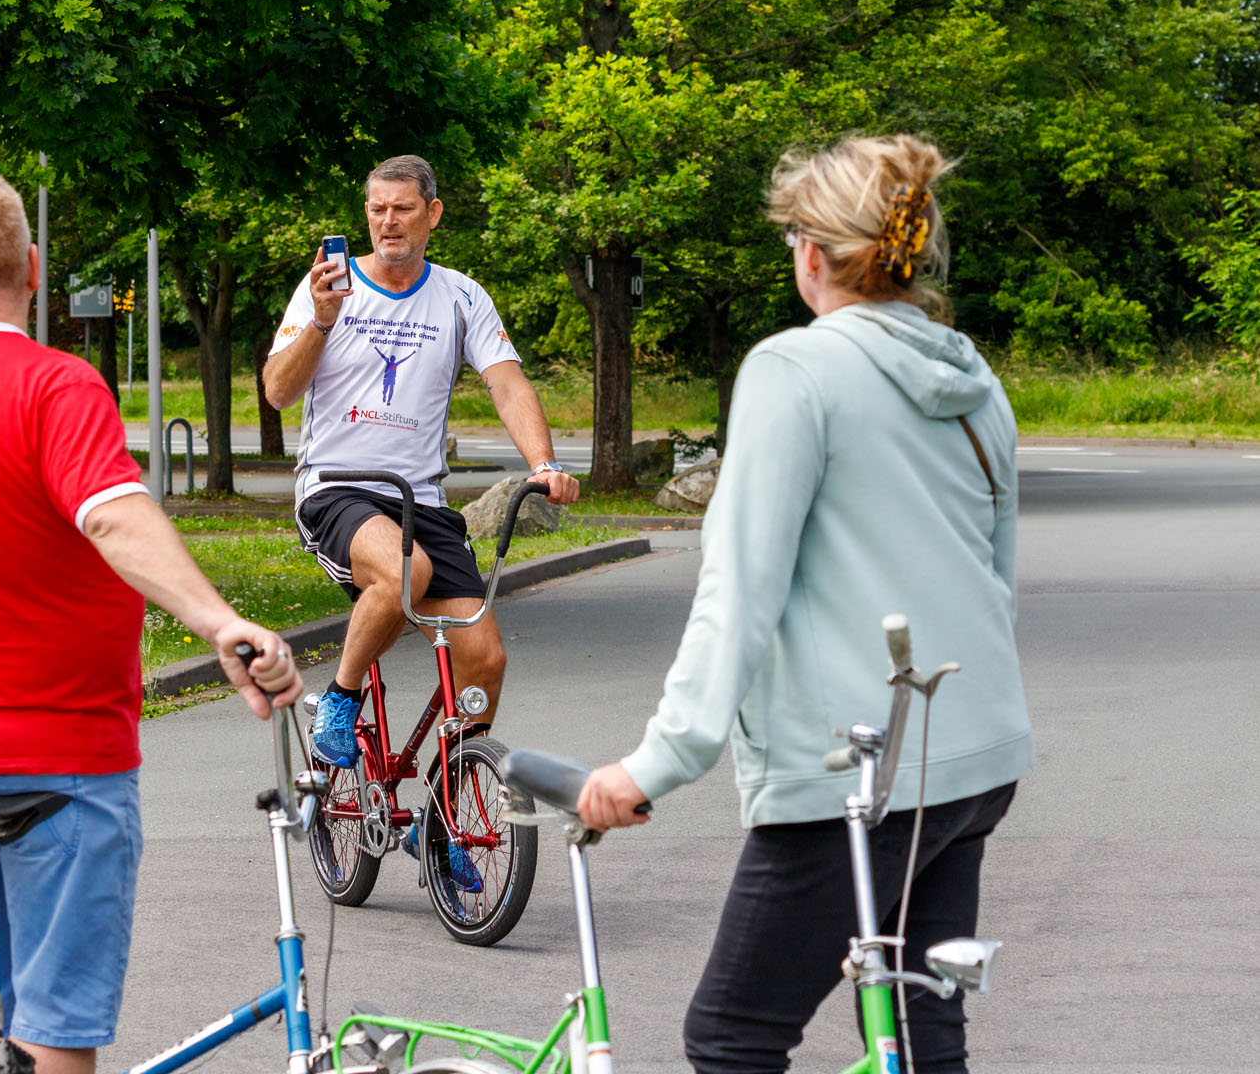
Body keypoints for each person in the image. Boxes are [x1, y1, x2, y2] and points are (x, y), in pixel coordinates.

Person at [0, 169, 303, 1074]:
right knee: (53, 1024)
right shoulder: (57, 388)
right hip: (61, 751)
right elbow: (112, 513)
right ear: (32, 269)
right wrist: (219, 621)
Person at [577, 135, 1034, 1074]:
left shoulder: (795, 372)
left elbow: (740, 586)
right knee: (920, 1028)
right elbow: (996, 576)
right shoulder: (973, 378)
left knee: (733, 1036)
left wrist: (659, 761)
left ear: (814, 255)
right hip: (971, 750)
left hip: (856, 775)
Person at [263, 155, 577, 872]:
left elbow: (508, 383)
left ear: (432, 214)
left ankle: (437, 820)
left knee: (484, 657)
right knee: (407, 572)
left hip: (421, 498)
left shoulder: (461, 297)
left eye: (403, 208)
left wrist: (543, 464)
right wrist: (321, 318)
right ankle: (340, 702)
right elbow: (278, 392)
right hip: (338, 488)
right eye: (377, 209)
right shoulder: (326, 291)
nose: (388, 221)